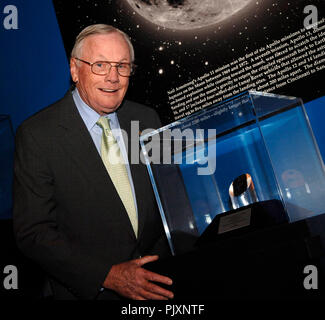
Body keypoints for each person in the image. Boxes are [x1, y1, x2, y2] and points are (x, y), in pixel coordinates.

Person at [13, 24, 174, 300]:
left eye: (122, 66)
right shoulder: (38, 135)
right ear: (74, 69)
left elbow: (168, 200)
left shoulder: (146, 120)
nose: (113, 77)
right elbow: (34, 232)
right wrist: (106, 276)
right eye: (100, 64)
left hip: (157, 288)